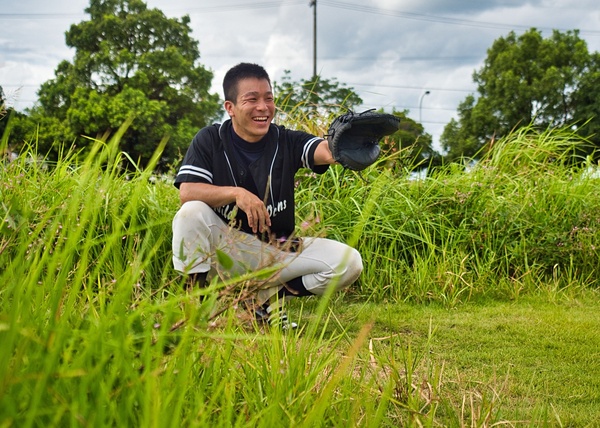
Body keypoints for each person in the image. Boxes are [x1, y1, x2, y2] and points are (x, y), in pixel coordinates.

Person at [172, 62, 362, 329]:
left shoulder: (286, 140)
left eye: (269, 98)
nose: (263, 107)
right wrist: (237, 193)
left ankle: (262, 298)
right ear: (230, 108)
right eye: (252, 99)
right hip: (226, 251)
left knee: (349, 262)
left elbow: (322, 151)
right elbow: (187, 192)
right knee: (190, 213)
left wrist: (340, 145)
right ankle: (192, 310)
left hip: (277, 249)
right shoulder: (210, 139)